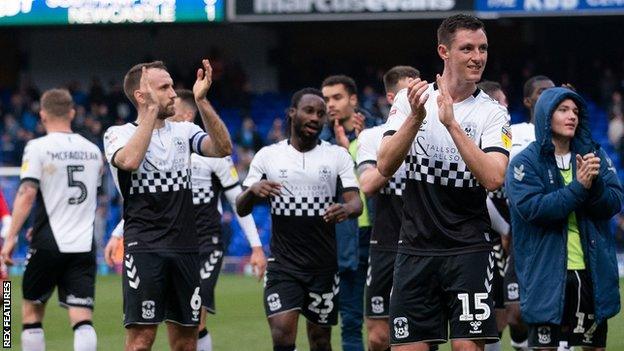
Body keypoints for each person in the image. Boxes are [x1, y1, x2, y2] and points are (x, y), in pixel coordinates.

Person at [378, 14, 511, 351]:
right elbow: (384, 164)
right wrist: (417, 118)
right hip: (415, 248)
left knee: (466, 347)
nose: (477, 57)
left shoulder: (492, 113)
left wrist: (452, 125)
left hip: (468, 248)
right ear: (444, 51)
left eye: (482, 49)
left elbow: (494, 177)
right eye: (467, 48)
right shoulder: (412, 100)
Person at [104, 89, 266, 351]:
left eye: (173, 104)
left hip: (205, 243)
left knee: (196, 318)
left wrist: (256, 246)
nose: (166, 107)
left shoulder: (208, 153)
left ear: (188, 115)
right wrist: (117, 233)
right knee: (155, 331)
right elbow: (152, 201)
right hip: (162, 240)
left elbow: (238, 201)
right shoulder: (156, 150)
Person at [236, 87, 362, 351]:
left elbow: (356, 202)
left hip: (323, 267)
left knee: (320, 340)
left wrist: (346, 210)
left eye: (321, 113)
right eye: (309, 111)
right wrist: (252, 191)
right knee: (282, 334)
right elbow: (241, 207)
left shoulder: (337, 156)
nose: (316, 117)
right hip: (284, 266)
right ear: (292, 113)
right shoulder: (268, 155)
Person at [505, 87, 622, 351]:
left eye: (576, 111)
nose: (572, 116)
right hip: (547, 275)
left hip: (590, 272)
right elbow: (535, 210)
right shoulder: (525, 163)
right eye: (563, 110)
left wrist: (595, 187)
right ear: (546, 115)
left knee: (594, 347)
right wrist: (580, 187)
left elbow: (613, 203)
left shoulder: (594, 155)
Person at [0, 88, 103, 351]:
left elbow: (26, 194)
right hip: (83, 244)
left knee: (32, 314)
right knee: (82, 319)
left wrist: (10, 238)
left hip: (48, 242)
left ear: (43, 114)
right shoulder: (93, 151)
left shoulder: (37, 147)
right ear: (72, 112)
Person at [357, 65, 420, 351]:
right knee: (379, 337)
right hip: (384, 243)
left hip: (424, 244)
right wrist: (396, 152)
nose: (420, 96)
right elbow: (368, 183)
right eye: (411, 91)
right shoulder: (372, 137)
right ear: (392, 97)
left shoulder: (436, 134)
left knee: (422, 335)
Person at [321, 75, 374, 351]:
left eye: (337, 97)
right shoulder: (321, 143)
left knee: (387, 324)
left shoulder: (378, 132)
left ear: (353, 100)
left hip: (381, 239)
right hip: (345, 241)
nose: (330, 104)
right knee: (350, 322)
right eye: (326, 99)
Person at [477, 80, 510, 351]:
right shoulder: (481, 135)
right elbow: (489, 188)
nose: (505, 108)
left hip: (500, 238)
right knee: (488, 316)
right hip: (485, 240)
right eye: (501, 102)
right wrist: (506, 230)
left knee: (497, 313)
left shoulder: (508, 136)